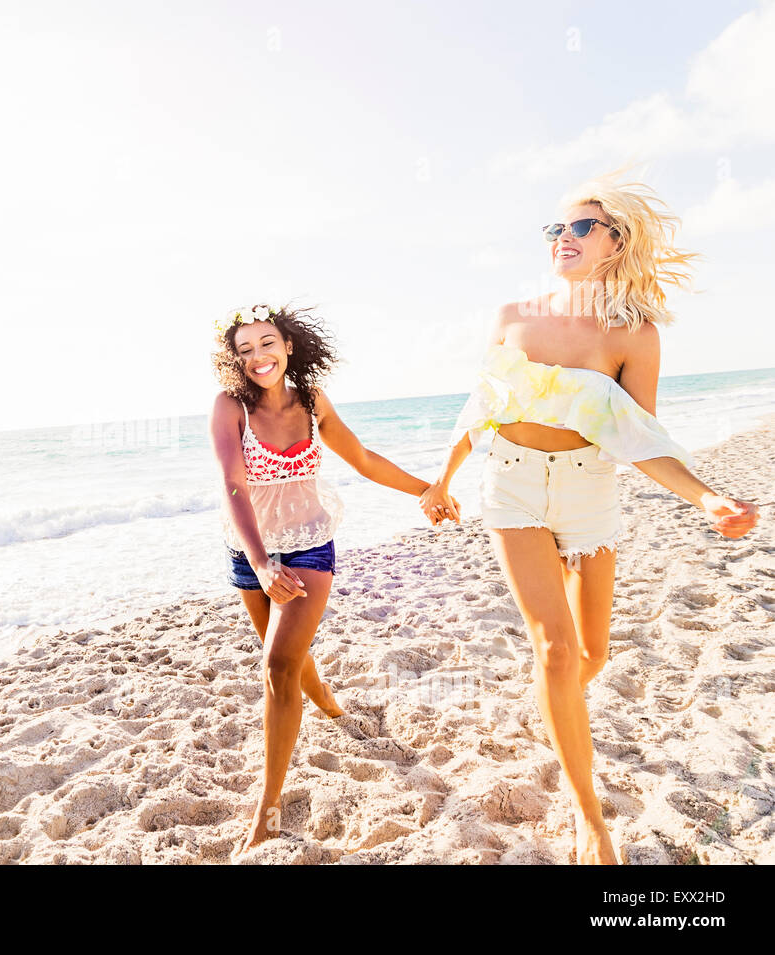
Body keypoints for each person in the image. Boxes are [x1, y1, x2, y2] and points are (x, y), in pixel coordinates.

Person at [419, 175, 760, 864]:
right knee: (556, 649)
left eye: (580, 228)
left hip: (589, 489)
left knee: (591, 654)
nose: (563, 239)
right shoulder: (513, 314)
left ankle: (553, 706)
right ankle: (589, 818)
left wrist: (706, 498)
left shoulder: (635, 333)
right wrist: (443, 476)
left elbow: (641, 438)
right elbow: (481, 404)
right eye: (555, 229)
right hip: (510, 485)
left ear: (616, 242)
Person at [209, 304, 442, 855]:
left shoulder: (312, 402)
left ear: (288, 345)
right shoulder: (230, 407)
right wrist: (262, 563)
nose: (258, 357)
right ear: (235, 360)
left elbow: (361, 458)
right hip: (250, 552)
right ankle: (335, 709)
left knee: (278, 664)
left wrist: (425, 490)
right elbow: (233, 484)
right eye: (245, 349)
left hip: (309, 545)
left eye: (267, 344)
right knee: (289, 653)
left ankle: (268, 807)